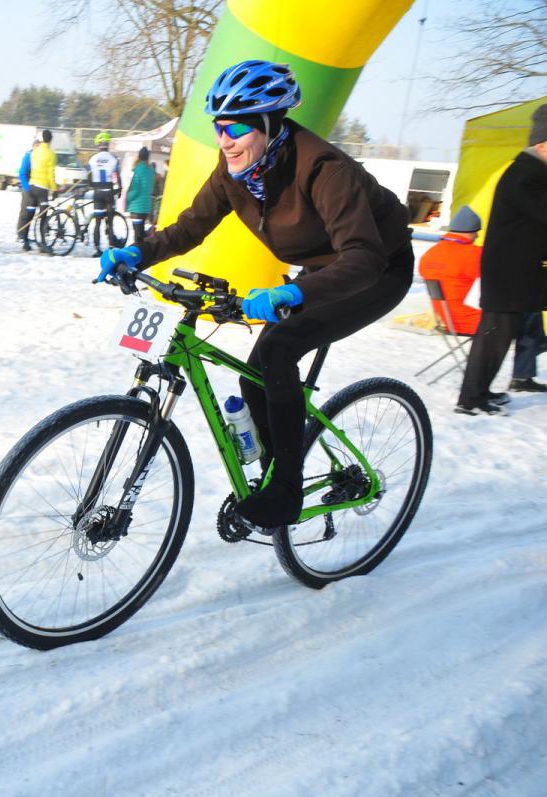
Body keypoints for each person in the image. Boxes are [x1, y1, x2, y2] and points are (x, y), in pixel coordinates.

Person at [97, 60, 413, 530]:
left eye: (237, 128)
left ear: (270, 125)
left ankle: (285, 491)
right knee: (254, 378)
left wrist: (292, 292)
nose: (225, 140)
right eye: (219, 127)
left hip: (377, 269)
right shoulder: (234, 171)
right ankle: (270, 475)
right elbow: (190, 227)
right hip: (321, 269)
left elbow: (362, 258)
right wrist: (136, 253)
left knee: (280, 348)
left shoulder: (324, 169)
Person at [456, 104, 547, 413]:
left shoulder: (531, 172)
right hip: (507, 274)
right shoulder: (525, 175)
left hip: (514, 273)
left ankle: (480, 392)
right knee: (493, 337)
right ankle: (471, 399)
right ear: (543, 144)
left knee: (500, 336)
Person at [418, 205, 484, 336]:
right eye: (476, 232)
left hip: (448, 321)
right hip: (477, 323)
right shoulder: (474, 254)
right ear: (470, 231)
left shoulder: (429, 254)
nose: (477, 236)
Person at [86, 132, 123, 257]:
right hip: (109, 192)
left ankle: (97, 249)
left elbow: (88, 176)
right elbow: (118, 177)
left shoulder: (92, 159)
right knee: (110, 222)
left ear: (98, 144)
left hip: (98, 192)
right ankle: (111, 247)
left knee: (97, 222)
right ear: (108, 144)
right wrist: (119, 190)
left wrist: (92, 185)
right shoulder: (113, 159)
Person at [27, 129, 58, 251]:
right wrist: (54, 189)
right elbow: (51, 174)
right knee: (43, 216)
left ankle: (25, 240)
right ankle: (43, 244)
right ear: (51, 140)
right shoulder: (51, 154)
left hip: (32, 186)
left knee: (30, 214)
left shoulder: (34, 152)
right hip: (42, 188)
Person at [124, 146, 156, 248]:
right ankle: (146, 249)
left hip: (137, 207)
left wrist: (127, 200)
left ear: (139, 156)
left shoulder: (138, 169)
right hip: (146, 206)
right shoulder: (150, 170)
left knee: (138, 236)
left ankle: (141, 253)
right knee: (141, 233)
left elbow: (135, 189)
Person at [15, 140, 39, 251]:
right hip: (27, 189)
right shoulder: (28, 156)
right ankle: (21, 234)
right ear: (33, 146)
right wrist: (27, 188)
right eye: (37, 146)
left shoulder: (38, 157)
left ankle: (25, 234)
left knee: (31, 213)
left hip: (34, 188)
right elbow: (22, 173)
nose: (38, 148)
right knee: (25, 212)